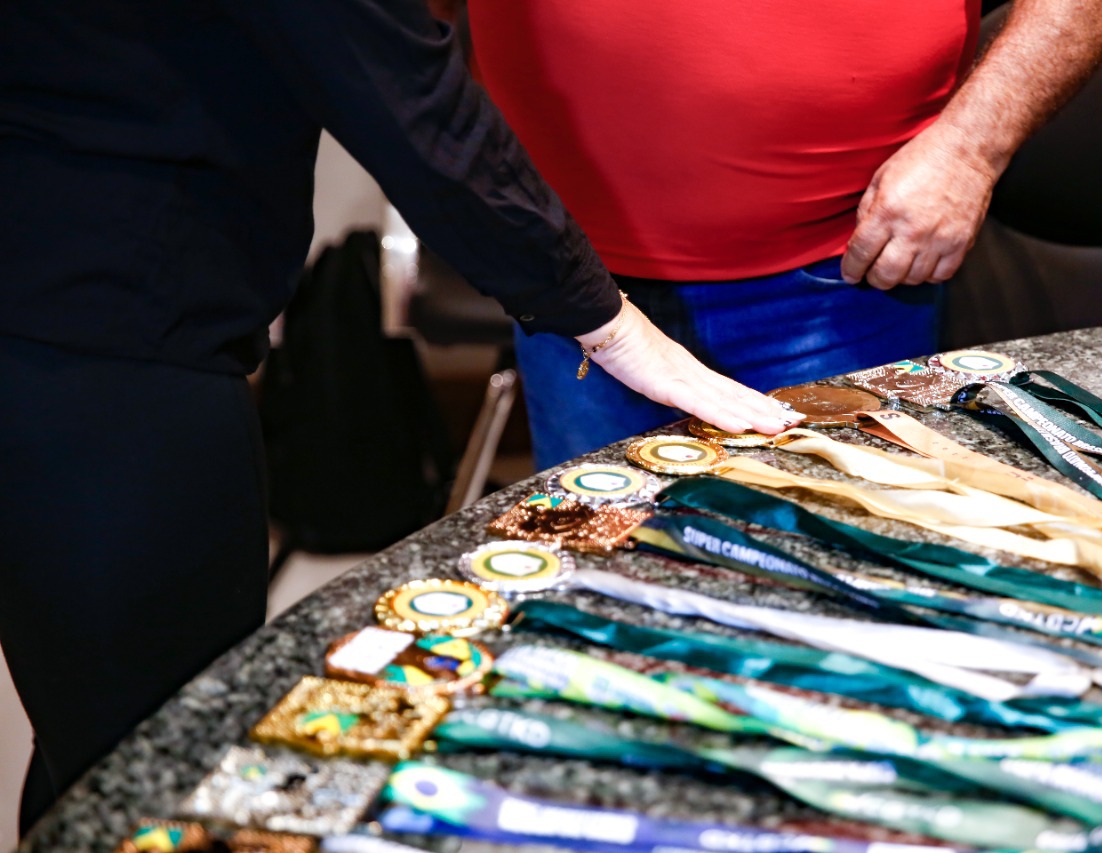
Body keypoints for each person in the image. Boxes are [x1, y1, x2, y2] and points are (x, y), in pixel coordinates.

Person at [0, 0, 800, 833]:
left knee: (89, 756)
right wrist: (613, 327)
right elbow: (412, 105)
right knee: (163, 759)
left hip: (61, 301)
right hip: (97, 338)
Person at [466, 0, 1102, 468]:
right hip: (575, 286)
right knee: (607, 575)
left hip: (848, 273)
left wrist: (971, 148)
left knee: (849, 572)